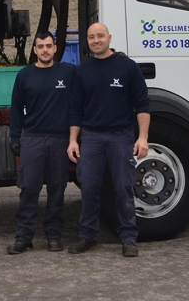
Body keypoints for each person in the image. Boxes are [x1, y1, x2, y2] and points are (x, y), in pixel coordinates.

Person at [67, 23, 150, 258]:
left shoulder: (128, 67)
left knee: (123, 188)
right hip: (91, 138)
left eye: (100, 36)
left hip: (120, 137)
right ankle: (87, 236)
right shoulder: (82, 71)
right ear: (87, 41)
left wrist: (142, 137)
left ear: (109, 38)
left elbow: (142, 105)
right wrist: (74, 140)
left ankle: (128, 238)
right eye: (91, 37)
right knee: (90, 188)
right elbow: (75, 109)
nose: (96, 40)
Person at [6, 31, 77, 254]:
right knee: (29, 189)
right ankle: (24, 237)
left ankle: (54, 237)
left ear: (55, 48)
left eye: (49, 45)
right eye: (40, 46)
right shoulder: (25, 75)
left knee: (57, 190)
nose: (45, 50)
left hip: (59, 140)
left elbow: (94, 76)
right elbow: (16, 110)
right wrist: (15, 137)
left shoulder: (69, 72)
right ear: (35, 50)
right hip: (33, 139)